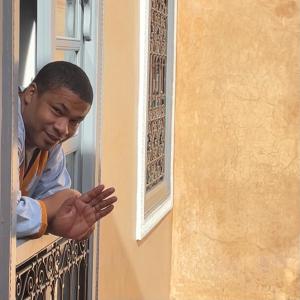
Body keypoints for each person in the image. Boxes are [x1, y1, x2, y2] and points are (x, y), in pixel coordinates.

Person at [17, 61, 117, 240]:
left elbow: (57, 196)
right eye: (57, 110)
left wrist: (57, 222)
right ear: (31, 94)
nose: (63, 129)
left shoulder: (47, 141)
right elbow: (5, 213)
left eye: (74, 122)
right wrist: (49, 210)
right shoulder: (7, 126)